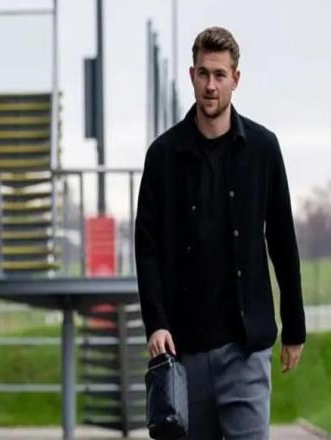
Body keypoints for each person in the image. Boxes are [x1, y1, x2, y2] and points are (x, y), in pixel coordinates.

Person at [135, 26, 305, 440]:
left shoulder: (264, 149)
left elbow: (282, 240)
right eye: (203, 74)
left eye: (220, 75)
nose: (210, 85)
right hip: (182, 352)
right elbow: (147, 247)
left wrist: (294, 327)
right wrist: (155, 323)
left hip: (245, 351)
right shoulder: (162, 156)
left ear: (235, 79)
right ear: (191, 75)